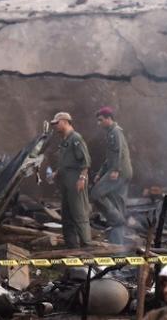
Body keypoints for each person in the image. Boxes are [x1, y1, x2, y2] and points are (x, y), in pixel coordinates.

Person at [49, 112, 93, 248]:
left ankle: (86, 246)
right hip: (66, 181)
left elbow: (85, 161)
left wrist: (82, 178)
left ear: (64, 121)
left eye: (57, 123)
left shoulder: (76, 138)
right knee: (67, 215)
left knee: (79, 213)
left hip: (75, 180)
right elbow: (65, 161)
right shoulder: (65, 140)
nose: (55, 126)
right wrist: (56, 172)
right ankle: (72, 247)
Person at [90, 106, 132, 245]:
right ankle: (118, 245)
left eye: (101, 120)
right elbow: (109, 158)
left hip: (120, 172)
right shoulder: (111, 132)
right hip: (123, 171)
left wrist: (115, 170)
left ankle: (118, 220)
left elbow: (118, 152)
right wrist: (100, 173)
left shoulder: (115, 132)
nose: (99, 123)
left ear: (109, 119)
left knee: (96, 193)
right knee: (118, 205)